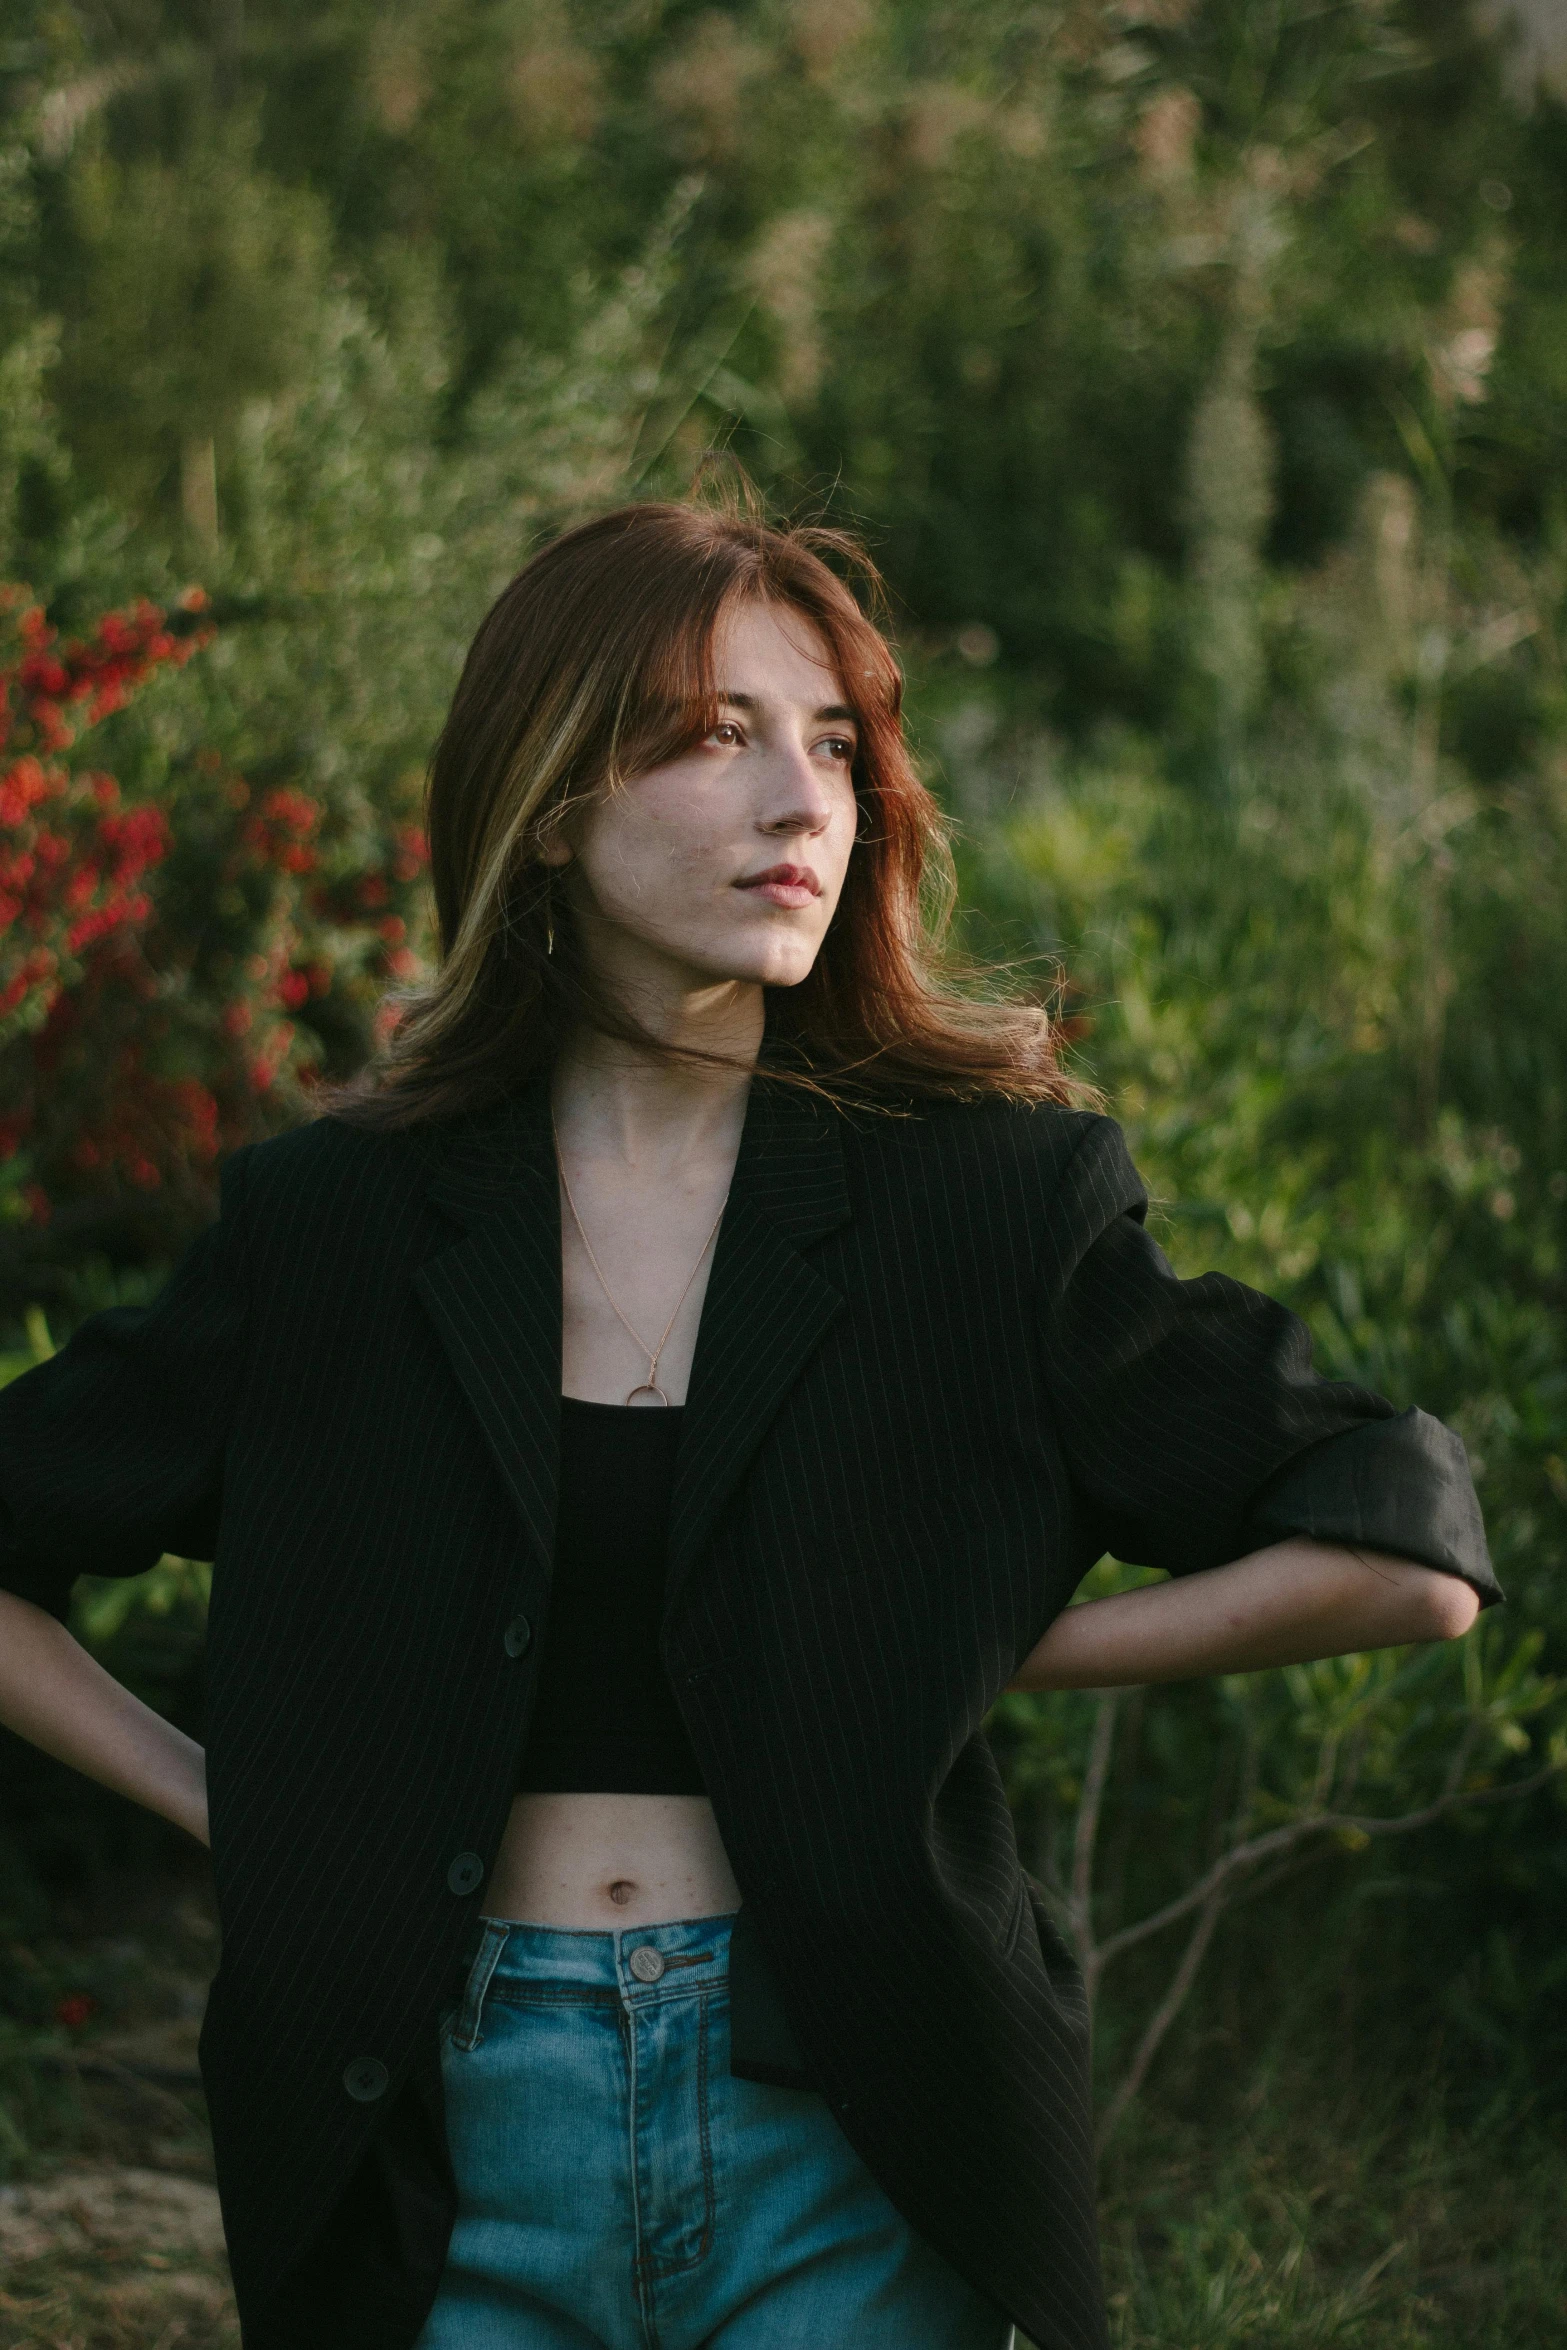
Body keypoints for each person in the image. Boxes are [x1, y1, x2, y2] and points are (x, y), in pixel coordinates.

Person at [0, 498, 1497, 2350]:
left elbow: (1401, 1544)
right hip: (438, 2135)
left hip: (849, 2129)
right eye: (716, 736)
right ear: (552, 802)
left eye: (835, 744)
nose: (803, 799)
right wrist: (238, 1806)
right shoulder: (340, 1224)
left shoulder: (986, 1202)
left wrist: (979, 1652)